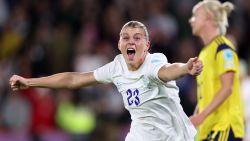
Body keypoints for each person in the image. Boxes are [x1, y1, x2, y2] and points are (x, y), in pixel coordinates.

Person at [10, 21, 203, 141]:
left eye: (137, 38)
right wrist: (29, 82)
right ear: (119, 45)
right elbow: (73, 79)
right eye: (125, 38)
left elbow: (168, 71)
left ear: (147, 46)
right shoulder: (117, 66)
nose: (131, 42)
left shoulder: (154, 62)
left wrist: (186, 68)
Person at [189, 0, 245, 140]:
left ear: (208, 17)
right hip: (207, 129)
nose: (191, 20)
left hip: (224, 127)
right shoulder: (204, 53)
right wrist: (196, 116)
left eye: (195, 16)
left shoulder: (223, 48)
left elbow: (227, 88)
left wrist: (201, 116)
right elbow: (205, 94)